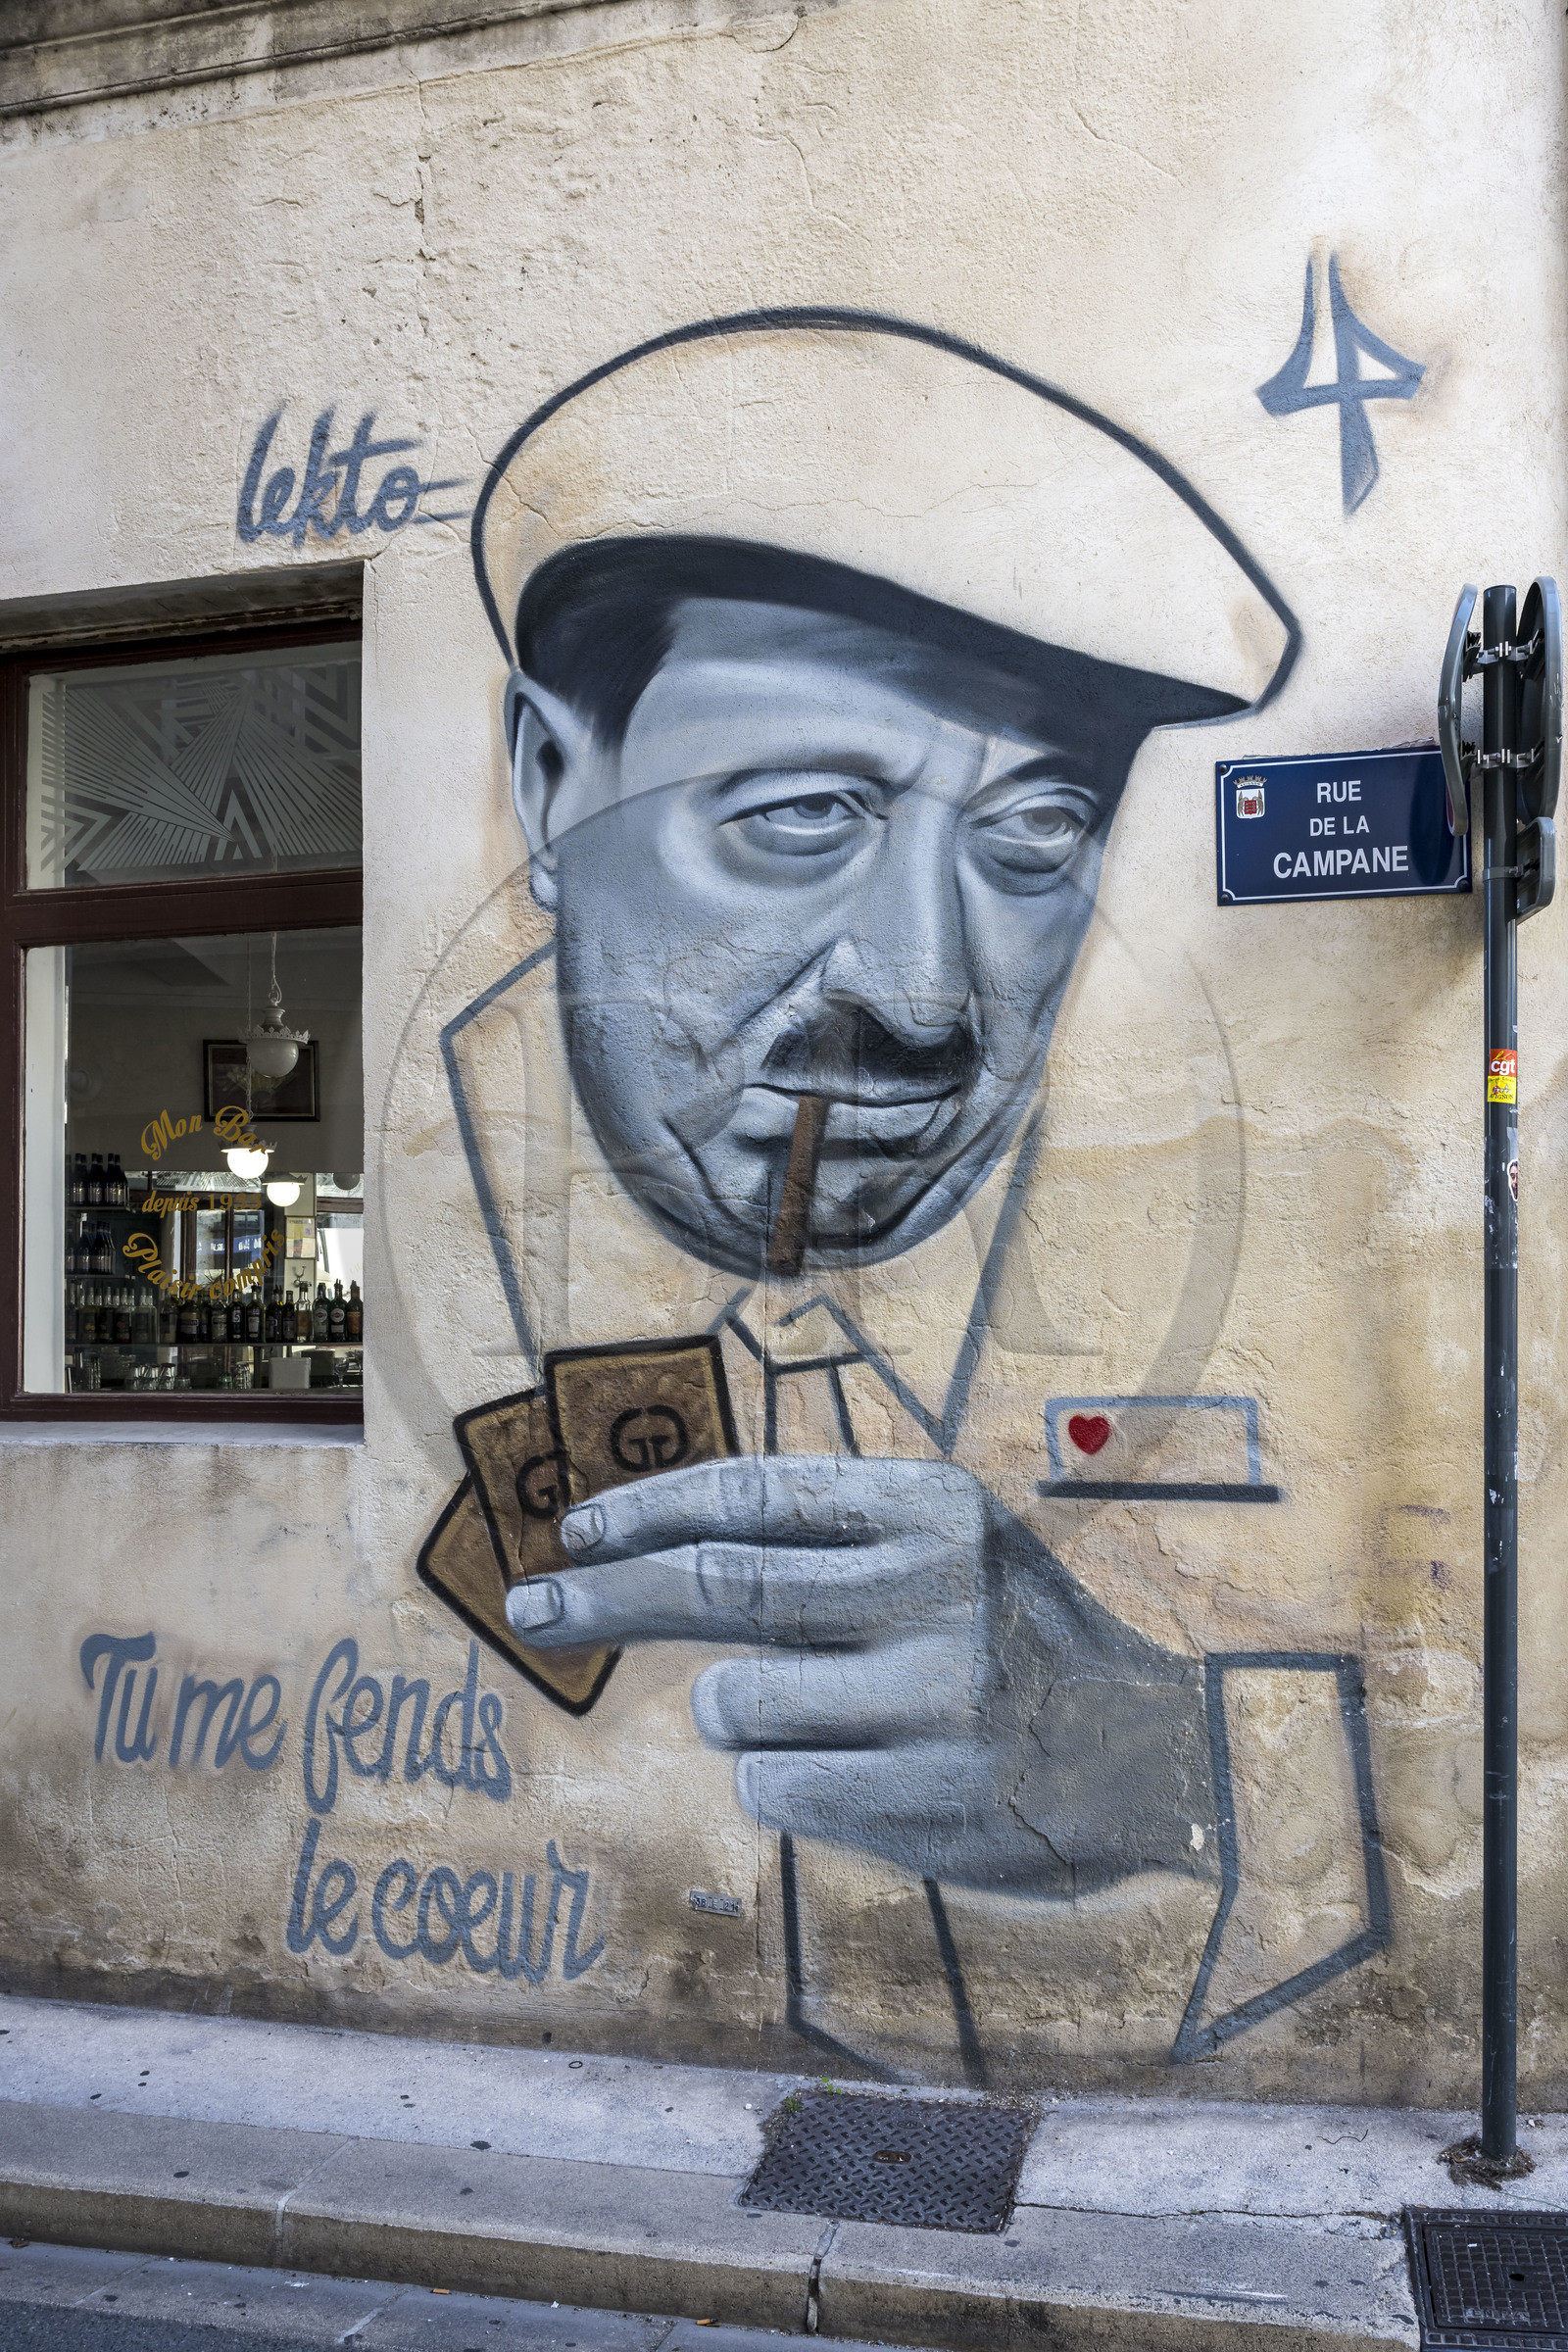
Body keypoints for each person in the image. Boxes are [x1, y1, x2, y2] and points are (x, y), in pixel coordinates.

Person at [420, 314, 1382, 2075]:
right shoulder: (485, 1177)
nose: (926, 995)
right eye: (797, 815)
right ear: (553, 784)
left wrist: (1165, 1766)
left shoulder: (1143, 1208)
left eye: (1030, 841)